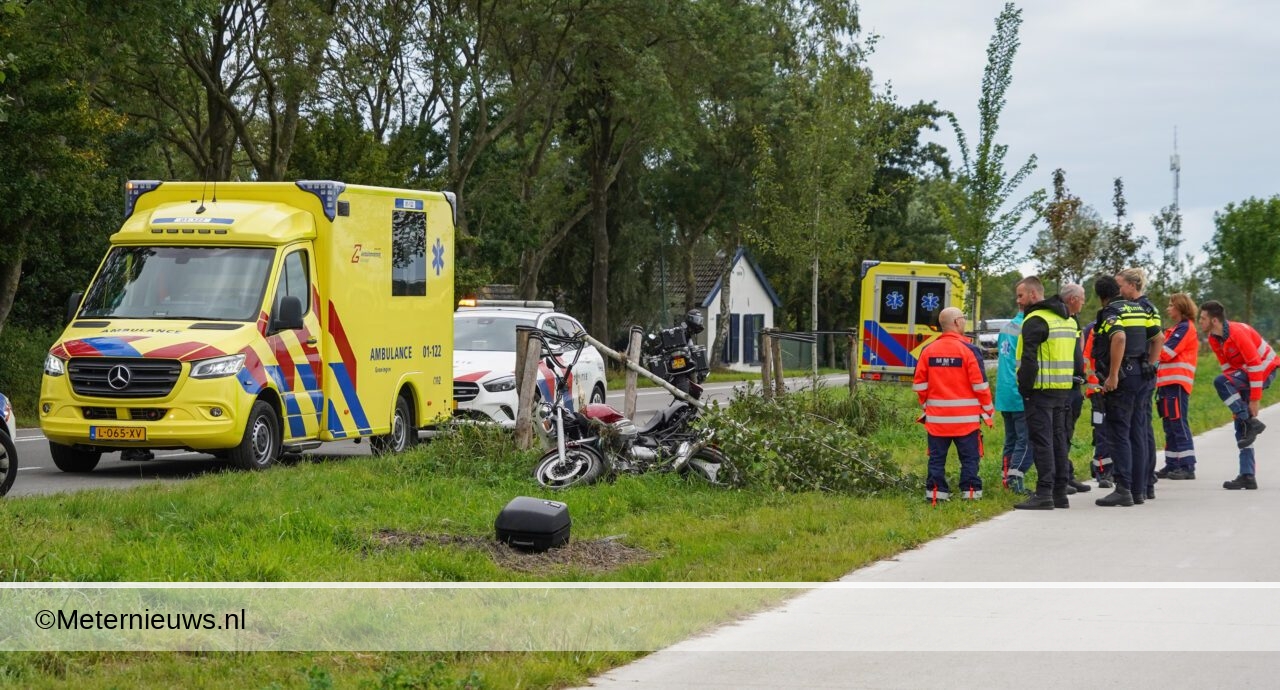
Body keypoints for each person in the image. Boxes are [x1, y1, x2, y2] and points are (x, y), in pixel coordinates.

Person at [1012, 277, 1083, 510]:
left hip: (1040, 391)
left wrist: (1025, 388)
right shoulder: (1067, 320)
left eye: (1021, 295)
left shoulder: (1035, 319)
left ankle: (1044, 493)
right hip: (1063, 390)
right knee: (1059, 440)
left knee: (1042, 442)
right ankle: (1059, 493)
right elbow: (1077, 359)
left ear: (1034, 295)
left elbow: (1029, 361)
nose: (1018, 300)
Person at [1093, 276, 1163, 507]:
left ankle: (1123, 488)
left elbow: (1119, 337)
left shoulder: (1110, 311)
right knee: (1138, 431)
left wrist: (1113, 375)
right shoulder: (1138, 308)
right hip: (1142, 376)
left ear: (1100, 295)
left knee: (1119, 432)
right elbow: (1158, 337)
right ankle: (1139, 489)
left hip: (1124, 378)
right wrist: (1151, 366)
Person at [913, 307, 994, 502]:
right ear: (957, 322)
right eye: (964, 319)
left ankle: (935, 494)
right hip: (966, 421)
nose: (965, 322)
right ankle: (971, 493)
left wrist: (928, 407)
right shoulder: (970, 350)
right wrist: (988, 412)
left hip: (937, 419)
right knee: (969, 459)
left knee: (936, 459)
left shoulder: (927, 350)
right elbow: (980, 386)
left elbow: (919, 385)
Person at [1199, 300, 1278, 490]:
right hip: (1244, 373)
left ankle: (1250, 422)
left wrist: (1254, 400)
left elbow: (1255, 365)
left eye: (1202, 318)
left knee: (1220, 382)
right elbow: (1229, 370)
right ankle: (1247, 475)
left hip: (1265, 368)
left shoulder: (1238, 332)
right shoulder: (1213, 338)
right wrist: (1240, 406)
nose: (1199, 322)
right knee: (1241, 424)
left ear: (1215, 320)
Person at [1116, 268, 1163, 500]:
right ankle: (1144, 483)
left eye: (1121, 285)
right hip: (1143, 373)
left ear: (1133, 285)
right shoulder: (1146, 307)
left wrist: (1150, 364)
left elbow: (1157, 338)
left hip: (1139, 373)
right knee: (1142, 427)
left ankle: (1143, 482)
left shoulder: (1144, 308)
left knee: (1139, 428)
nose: (1119, 290)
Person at [1154, 293, 1200, 480]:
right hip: (1166, 383)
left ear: (1181, 307)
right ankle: (1172, 463)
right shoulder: (1175, 329)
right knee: (1169, 425)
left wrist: (1153, 345)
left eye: (1171, 305)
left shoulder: (1185, 329)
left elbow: (1166, 353)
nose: (1168, 308)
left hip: (1177, 383)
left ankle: (1188, 466)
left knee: (1179, 423)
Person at [995, 284, 1034, 494]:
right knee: (1025, 439)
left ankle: (1005, 477)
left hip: (1004, 392)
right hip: (1019, 393)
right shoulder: (1028, 328)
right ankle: (1015, 480)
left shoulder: (1007, 326)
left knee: (1010, 439)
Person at [1059, 283, 1092, 495]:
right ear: (1072, 299)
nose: (1083, 302)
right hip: (1063, 385)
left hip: (1075, 385)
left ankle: (1067, 474)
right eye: (1082, 298)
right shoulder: (1062, 320)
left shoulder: (1073, 319)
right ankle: (1062, 478)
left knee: (1067, 434)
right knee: (1061, 433)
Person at [1081, 319, 1114, 487]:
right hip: (1098, 390)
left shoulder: (1096, 327)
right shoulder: (1095, 329)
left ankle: (1107, 468)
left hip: (1109, 388)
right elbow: (1086, 359)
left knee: (1109, 430)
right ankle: (1102, 470)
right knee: (1102, 431)